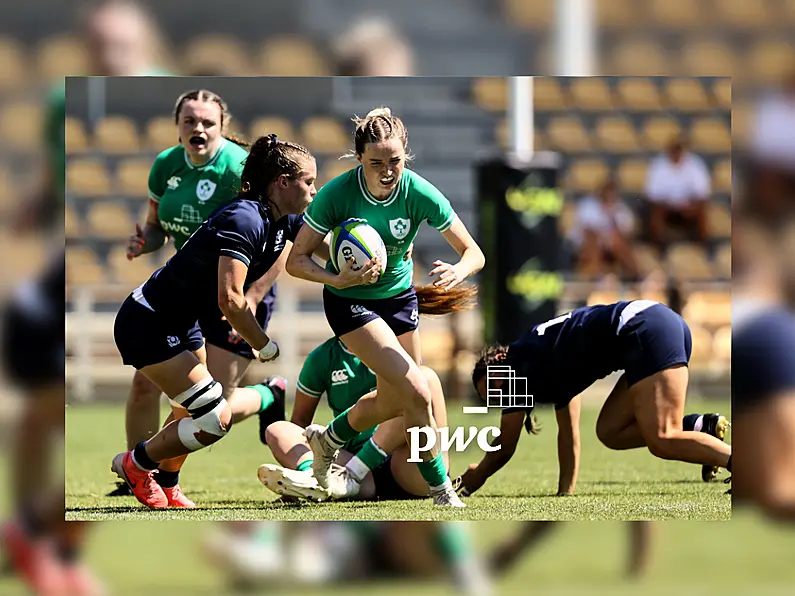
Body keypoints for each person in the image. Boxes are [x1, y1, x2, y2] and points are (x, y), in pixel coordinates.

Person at [110, 133, 327, 509]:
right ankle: (135, 463)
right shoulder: (245, 218)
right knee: (215, 418)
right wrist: (264, 344)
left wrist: (357, 259)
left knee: (186, 409)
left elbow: (322, 243)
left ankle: (168, 482)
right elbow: (229, 298)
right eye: (308, 180)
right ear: (283, 183)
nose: (314, 188)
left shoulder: (284, 217)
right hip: (148, 323)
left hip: (180, 322)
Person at [285, 107, 485, 508]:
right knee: (416, 387)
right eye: (376, 162)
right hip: (349, 301)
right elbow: (296, 261)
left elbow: (474, 253)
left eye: (394, 160)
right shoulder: (336, 195)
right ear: (359, 158)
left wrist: (458, 270)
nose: (387, 170)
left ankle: (331, 438)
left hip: (399, 300)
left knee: (406, 397)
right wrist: (337, 278)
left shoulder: (419, 192)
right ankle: (441, 490)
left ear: (405, 153)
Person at [458, 300, 731, 498]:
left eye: (497, 385)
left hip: (643, 330)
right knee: (610, 431)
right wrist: (564, 494)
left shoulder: (521, 362)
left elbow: (505, 446)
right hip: (652, 325)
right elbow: (568, 434)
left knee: (662, 438)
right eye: (494, 395)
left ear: (499, 360)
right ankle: (699, 428)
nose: (504, 396)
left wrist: (475, 477)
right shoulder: (541, 368)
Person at [0, 253, 104, 595]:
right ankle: (37, 539)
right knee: (105, 467)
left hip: (34, 326)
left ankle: (42, 543)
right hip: (34, 328)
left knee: (36, 433)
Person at [257, 335, 450, 502]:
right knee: (277, 430)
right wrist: (302, 465)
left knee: (424, 380)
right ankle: (313, 481)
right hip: (355, 471)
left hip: (408, 467)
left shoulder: (395, 344)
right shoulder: (322, 357)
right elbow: (300, 423)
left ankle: (353, 473)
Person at [645, 135, 711, 247]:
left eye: (679, 149)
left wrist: (688, 204)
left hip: (688, 206)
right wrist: (671, 203)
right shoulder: (658, 165)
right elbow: (651, 193)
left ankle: (703, 246)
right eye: (674, 149)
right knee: (657, 212)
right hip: (666, 206)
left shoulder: (695, 164)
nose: (676, 152)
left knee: (701, 211)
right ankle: (659, 247)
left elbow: (702, 192)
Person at [569, 177, 638, 280]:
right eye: (607, 193)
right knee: (594, 241)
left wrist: (613, 219)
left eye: (612, 193)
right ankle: (588, 279)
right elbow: (588, 231)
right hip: (584, 244)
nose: (610, 196)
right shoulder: (588, 206)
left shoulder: (620, 209)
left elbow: (628, 231)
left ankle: (633, 277)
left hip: (612, 246)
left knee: (619, 242)